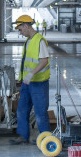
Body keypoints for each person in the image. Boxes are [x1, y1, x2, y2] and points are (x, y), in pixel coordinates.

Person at [10, 15, 51, 145]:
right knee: (22, 109)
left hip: (39, 83)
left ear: (26, 26)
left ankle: (45, 139)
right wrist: (23, 78)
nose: (20, 32)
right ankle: (23, 136)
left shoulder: (40, 41)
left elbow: (44, 61)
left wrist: (32, 73)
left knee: (40, 112)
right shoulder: (28, 40)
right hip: (27, 83)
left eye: (20, 29)